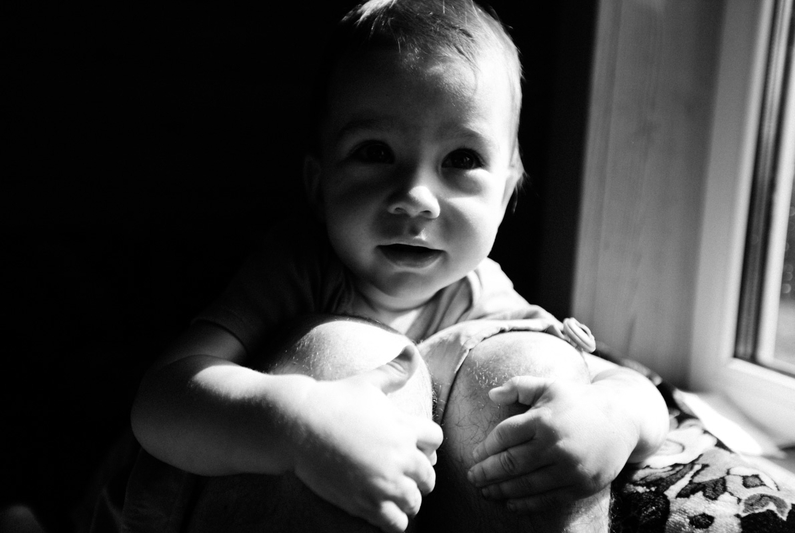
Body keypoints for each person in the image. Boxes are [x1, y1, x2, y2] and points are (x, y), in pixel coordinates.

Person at [127, 0, 670, 532]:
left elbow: (626, 386)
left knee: (538, 366)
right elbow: (162, 399)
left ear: (505, 196)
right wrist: (297, 421)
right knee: (344, 354)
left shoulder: (485, 299)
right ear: (320, 185)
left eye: (461, 159)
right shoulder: (296, 272)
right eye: (375, 152)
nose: (416, 198)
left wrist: (612, 418)